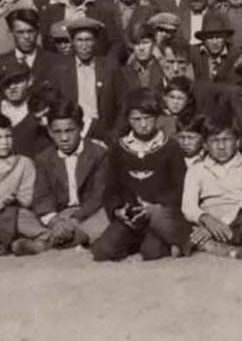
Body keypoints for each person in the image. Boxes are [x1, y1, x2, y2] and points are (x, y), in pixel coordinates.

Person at [91, 88, 190, 262]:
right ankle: (132, 241)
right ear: (128, 119)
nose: (143, 124)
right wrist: (118, 209)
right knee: (102, 251)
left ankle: (161, 241)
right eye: (136, 119)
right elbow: (112, 187)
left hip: (158, 215)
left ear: (156, 117)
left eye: (148, 118)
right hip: (131, 216)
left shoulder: (171, 147)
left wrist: (156, 207)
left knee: (151, 252)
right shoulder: (119, 148)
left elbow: (179, 186)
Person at [182, 115, 242, 260]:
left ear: (237, 142)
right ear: (204, 144)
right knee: (169, 217)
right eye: (214, 141)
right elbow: (189, 206)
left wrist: (214, 228)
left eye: (226, 140)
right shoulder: (196, 170)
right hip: (207, 219)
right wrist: (206, 219)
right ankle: (227, 250)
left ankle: (203, 243)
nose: (221, 147)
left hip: (236, 221)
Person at [30, 100, 109, 251]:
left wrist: (75, 219)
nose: (64, 138)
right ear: (49, 132)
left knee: (108, 214)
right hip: (61, 214)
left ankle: (53, 241)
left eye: (69, 130)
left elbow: (99, 195)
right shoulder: (43, 158)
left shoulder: (99, 154)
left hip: (89, 212)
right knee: (27, 215)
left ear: (80, 128)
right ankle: (66, 236)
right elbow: (42, 196)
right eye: (57, 132)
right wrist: (55, 221)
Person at [50, 17, 123, 144]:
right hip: (72, 135)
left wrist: (114, 135)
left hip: (104, 135)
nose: (84, 46)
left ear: (95, 41)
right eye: (79, 40)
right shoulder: (59, 70)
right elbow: (52, 106)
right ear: (72, 42)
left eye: (88, 40)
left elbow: (124, 105)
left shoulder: (110, 67)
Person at [0, 114, 51, 255]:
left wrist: (15, 200)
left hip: (12, 212)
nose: (4, 142)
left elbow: (27, 197)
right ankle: (7, 243)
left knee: (17, 215)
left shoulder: (24, 163)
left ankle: (43, 239)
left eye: (8, 136)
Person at [40, 0, 120, 56]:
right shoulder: (51, 10)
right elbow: (46, 41)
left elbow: (116, 43)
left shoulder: (102, 11)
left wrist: (108, 62)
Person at [0, 7, 58, 87]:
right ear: (11, 33)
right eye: (20, 32)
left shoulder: (55, 61)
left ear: (38, 31)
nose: (26, 36)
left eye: (30, 31)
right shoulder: (2, 62)